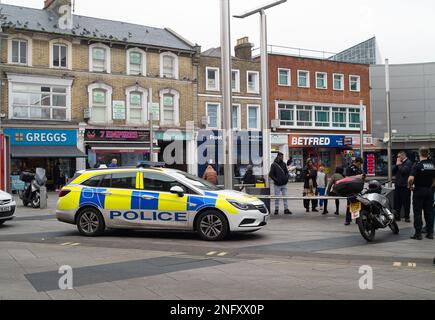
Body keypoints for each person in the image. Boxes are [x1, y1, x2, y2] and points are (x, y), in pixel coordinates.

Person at [408, 147, 435, 240]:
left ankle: (418, 234)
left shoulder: (417, 165)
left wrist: (410, 186)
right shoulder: (432, 164)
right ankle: (430, 233)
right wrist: (431, 186)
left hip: (419, 190)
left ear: (419, 154)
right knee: (429, 212)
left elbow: (411, 179)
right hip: (429, 191)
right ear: (428, 153)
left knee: (418, 212)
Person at [392, 151, 413, 222]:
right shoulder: (399, 163)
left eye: (399, 156)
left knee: (406, 202)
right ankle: (397, 216)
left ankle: (407, 217)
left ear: (403, 156)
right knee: (397, 202)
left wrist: (399, 165)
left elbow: (404, 171)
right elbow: (393, 171)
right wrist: (396, 165)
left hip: (405, 186)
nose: (397, 158)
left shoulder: (408, 162)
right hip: (398, 185)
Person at [345, 157, 365, 225]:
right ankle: (348, 220)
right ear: (357, 162)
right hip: (350, 188)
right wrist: (358, 176)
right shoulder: (349, 168)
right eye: (359, 164)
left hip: (357, 188)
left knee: (357, 204)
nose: (360, 165)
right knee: (349, 204)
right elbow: (347, 178)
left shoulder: (359, 169)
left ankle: (357, 219)